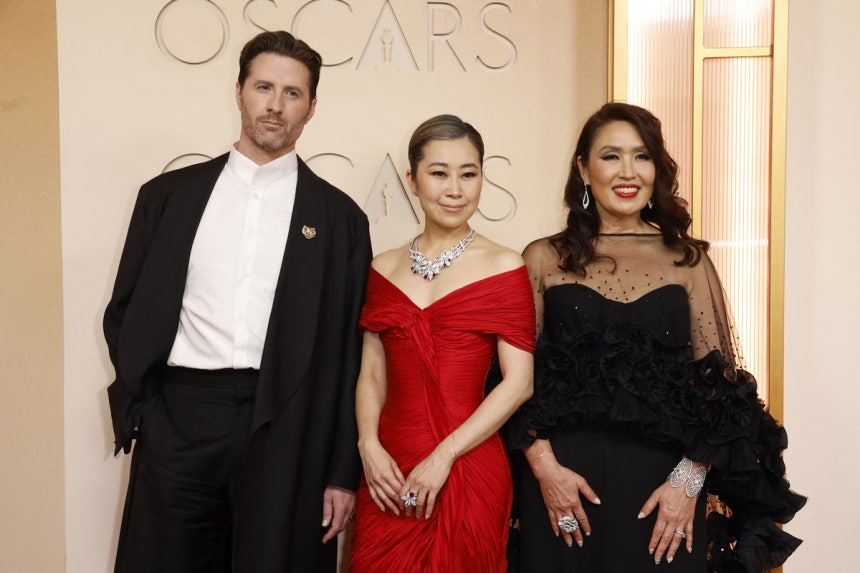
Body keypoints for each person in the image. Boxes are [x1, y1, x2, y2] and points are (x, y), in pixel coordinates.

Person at [103, 30, 372, 572]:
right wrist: (147, 409)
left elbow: (351, 355)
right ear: (239, 92)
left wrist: (342, 472)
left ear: (312, 107)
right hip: (181, 417)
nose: (276, 105)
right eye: (263, 87)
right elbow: (127, 311)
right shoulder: (167, 197)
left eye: (293, 93)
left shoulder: (341, 219)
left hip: (289, 425)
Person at [507, 102, 805, 572]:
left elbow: (722, 393)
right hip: (562, 490)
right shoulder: (543, 258)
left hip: (665, 494)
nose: (627, 171)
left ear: (656, 169)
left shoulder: (688, 261)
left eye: (641, 156)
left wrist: (687, 483)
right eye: (610, 156)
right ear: (583, 168)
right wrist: (546, 472)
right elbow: (513, 380)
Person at [348, 115, 535, 572]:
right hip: (389, 467)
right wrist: (368, 446)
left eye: (468, 174)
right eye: (439, 173)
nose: (455, 189)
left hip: (467, 459)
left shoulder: (504, 265)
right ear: (412, 180)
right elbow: (372, 373)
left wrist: (444, 456)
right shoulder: (383, 268)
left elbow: (519, 383)